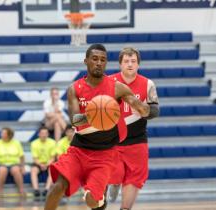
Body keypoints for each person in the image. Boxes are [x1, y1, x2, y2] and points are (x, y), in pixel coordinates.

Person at [44, 44, 150, 210]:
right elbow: (74, 121)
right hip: (79, 150)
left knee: (93, 202)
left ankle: (100, 201)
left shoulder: (117, 87)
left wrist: (144, 109)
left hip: (105, 154)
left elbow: (141, 107)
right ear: (86, 61)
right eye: (94, 59)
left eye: (103, 60)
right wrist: (95, 113)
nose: (99, 63)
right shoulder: (75, 89)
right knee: (58, 186)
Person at [108, 47, 159, 210]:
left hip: (137, 141)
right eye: (126, 61)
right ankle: (114, 182)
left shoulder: (148, 84)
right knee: (113, 176)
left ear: (138, 64)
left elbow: (155, 110)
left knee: (134, 180)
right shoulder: (108, 82)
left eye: (133, 61)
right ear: (120, 64)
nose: (130, 64)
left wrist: (145, 111)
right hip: (112, 141)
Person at [0, 127, 25, 197]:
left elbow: (21, 156)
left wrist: (22, 166)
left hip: (14, 163)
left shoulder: (16, 143)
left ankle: (21, 190)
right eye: (1, 133)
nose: (1, 134)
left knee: (16, 170)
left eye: (3, 133)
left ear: (8, 135)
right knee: (3, 170)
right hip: (1, 163)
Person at [30, 127, 56, 197]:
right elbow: (35, 158)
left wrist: (46, 165)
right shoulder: (34, 143)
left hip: (49, 162)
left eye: (45, 133)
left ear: (48, 134)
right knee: (33, 170)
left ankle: (46, 190)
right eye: (42, 133)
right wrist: (41, 165)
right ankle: (36, 190)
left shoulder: (52, 142)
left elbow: (53, 157)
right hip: (38, 163)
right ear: (39, 134)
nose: (44, 135)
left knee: (52, 170)